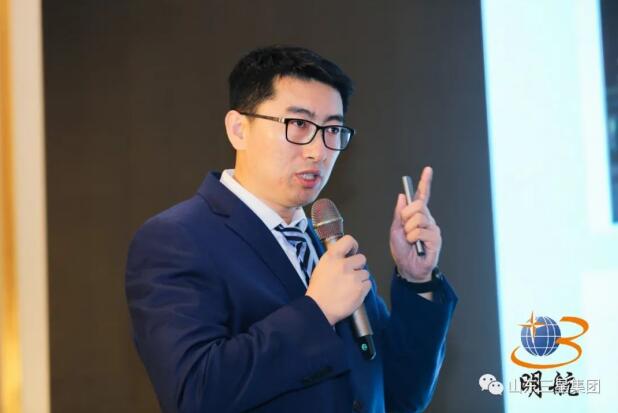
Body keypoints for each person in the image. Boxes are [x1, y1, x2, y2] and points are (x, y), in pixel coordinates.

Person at [125, 45, 457, 413]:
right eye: (299, 124)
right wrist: (317, 312)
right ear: (238, 129)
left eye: (332, 129)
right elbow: (194, 393)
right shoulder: (176, 239)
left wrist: (417, 280)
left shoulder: (328, 244)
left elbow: (401, 395)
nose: (318, 151)